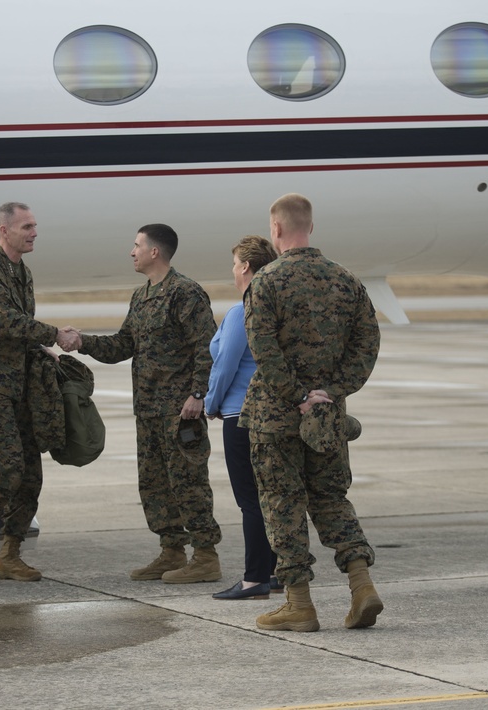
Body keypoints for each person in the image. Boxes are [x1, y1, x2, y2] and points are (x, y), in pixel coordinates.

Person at [241, 193, 382, 632]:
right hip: (327, 420)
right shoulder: (346, 280)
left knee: (282, 505)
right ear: (311, 227)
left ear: (276, 229)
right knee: (331, 499)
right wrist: (331, 392)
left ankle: (299, 604)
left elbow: (262, 348)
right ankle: (362, 585)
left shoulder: (266, 281)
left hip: (276, 418)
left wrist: (296, 393)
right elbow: (367, 346)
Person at [76, 224, 223, 584]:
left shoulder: (185, 293)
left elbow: (207, 347)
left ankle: (205, 556)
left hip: (180, 412)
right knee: (155, 485)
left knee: (188, 483)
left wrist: (198, 394)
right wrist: (82, 342)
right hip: (148, 411)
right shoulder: (141, 297)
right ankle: (171, 551)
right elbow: (122, 345)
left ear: (154, 252)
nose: (132, 251)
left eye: (137, 245)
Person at [0, 202, 81, 582]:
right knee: (8, 462)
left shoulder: (21, 272)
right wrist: (53, 335)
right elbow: (4, 320)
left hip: (20, 379)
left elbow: (19, 325)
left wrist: (43, 351)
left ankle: (11, 552)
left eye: (35, 226)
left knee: (30, 469)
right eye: (27, 226)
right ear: (4, 231)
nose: (34, 232)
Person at [206, 235, 280, 601]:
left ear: (246, 267)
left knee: (249, 499)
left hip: (239, 413)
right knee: (271, 496)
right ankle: (276, 570)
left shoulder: (241, 312)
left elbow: (225, 365)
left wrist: (210, 403)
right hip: (272, 414)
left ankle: (255, 579)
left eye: (235, 264)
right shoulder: (277, 308)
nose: (233, 271)